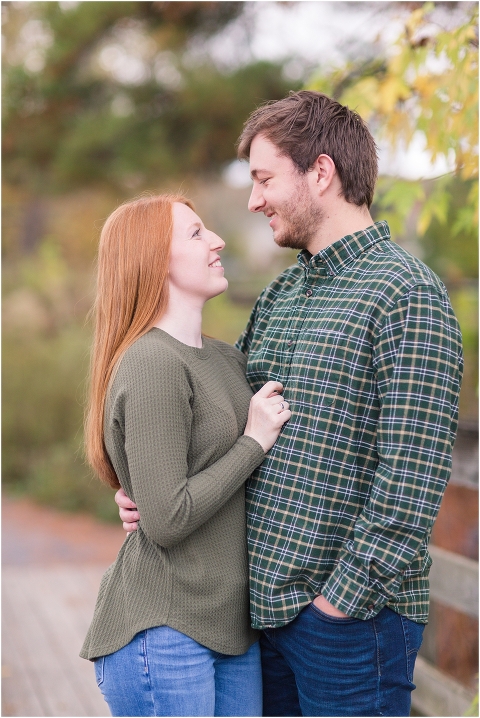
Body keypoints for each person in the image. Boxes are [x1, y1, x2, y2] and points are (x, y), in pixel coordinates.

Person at [116, 91, 463, 717]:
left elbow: (411, 481)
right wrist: (153, 483)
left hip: (350, 626)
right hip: (262, 618)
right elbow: (225, 423)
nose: (253, 200)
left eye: (264, 178)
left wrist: (337, 605)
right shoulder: (279, 297)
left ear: (321, 173)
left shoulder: (406, 293)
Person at [80, 193, 292, 717]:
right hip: (164, 628)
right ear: (155, 261)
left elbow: (175, 483)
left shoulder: (224, 359)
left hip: (230, 631)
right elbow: (168, 518)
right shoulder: (152, 362)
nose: (218, 240)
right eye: (197, 234)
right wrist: (253, 443)